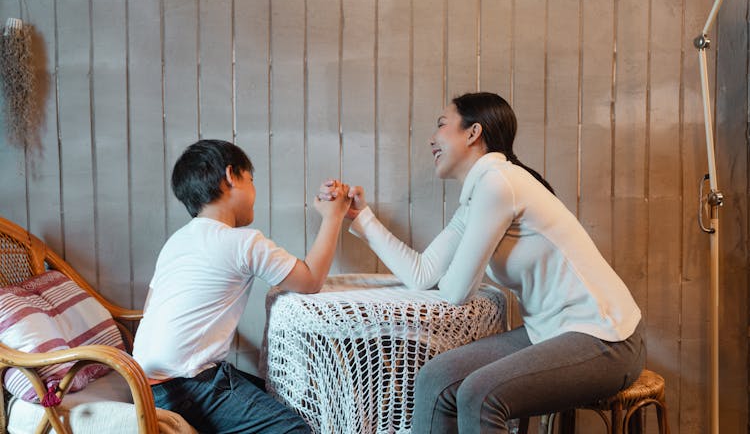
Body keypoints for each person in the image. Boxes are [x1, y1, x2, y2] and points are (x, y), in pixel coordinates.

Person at [319, 92, 644, 433]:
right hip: (549, 332)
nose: (432, 138)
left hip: (607, 339)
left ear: (473, 133)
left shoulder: (499, 183)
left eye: (442, 125)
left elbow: (457, 290)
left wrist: (450, 279)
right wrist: (362, 217)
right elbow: (422, 274)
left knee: (479, 394)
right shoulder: (478, 197)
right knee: (435, 378)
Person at [133, 139, 351, 434]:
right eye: (251, 180)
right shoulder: (244, 242)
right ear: (230, 175)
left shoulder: (176, 242)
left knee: (276, 393)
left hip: (142, 386)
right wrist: (333, 216)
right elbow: (310, 280)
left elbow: (149, 310)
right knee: (295, 429)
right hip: (190, 386)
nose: (254, 192)